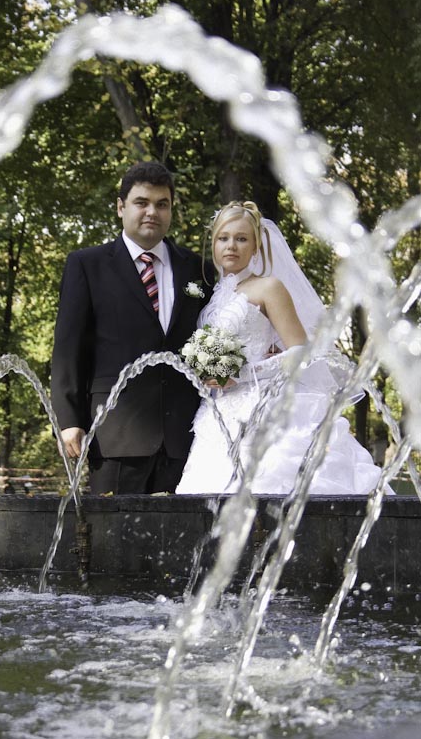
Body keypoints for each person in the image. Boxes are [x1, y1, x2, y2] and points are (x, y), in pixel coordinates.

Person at [176, 200, 388, 495]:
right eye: (223, 238)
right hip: (218, 413)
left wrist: (244, 373)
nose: (231, 246)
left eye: (241, 239)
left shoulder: (269, 287)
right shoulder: (215, 295)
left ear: (255, 246)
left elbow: (301, 352)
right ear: (214, 244)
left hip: (263, 409)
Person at [51, 161, 213, 494]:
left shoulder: (198, 269)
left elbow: (216, 333)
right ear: (121, 207)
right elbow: (68, 348)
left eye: (162, 204)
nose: (152, 211)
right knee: (113, 527)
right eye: (142, 202)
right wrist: (68, 420)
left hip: (185, 436)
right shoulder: (87, 265)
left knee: (185, 528)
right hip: (115, 435)